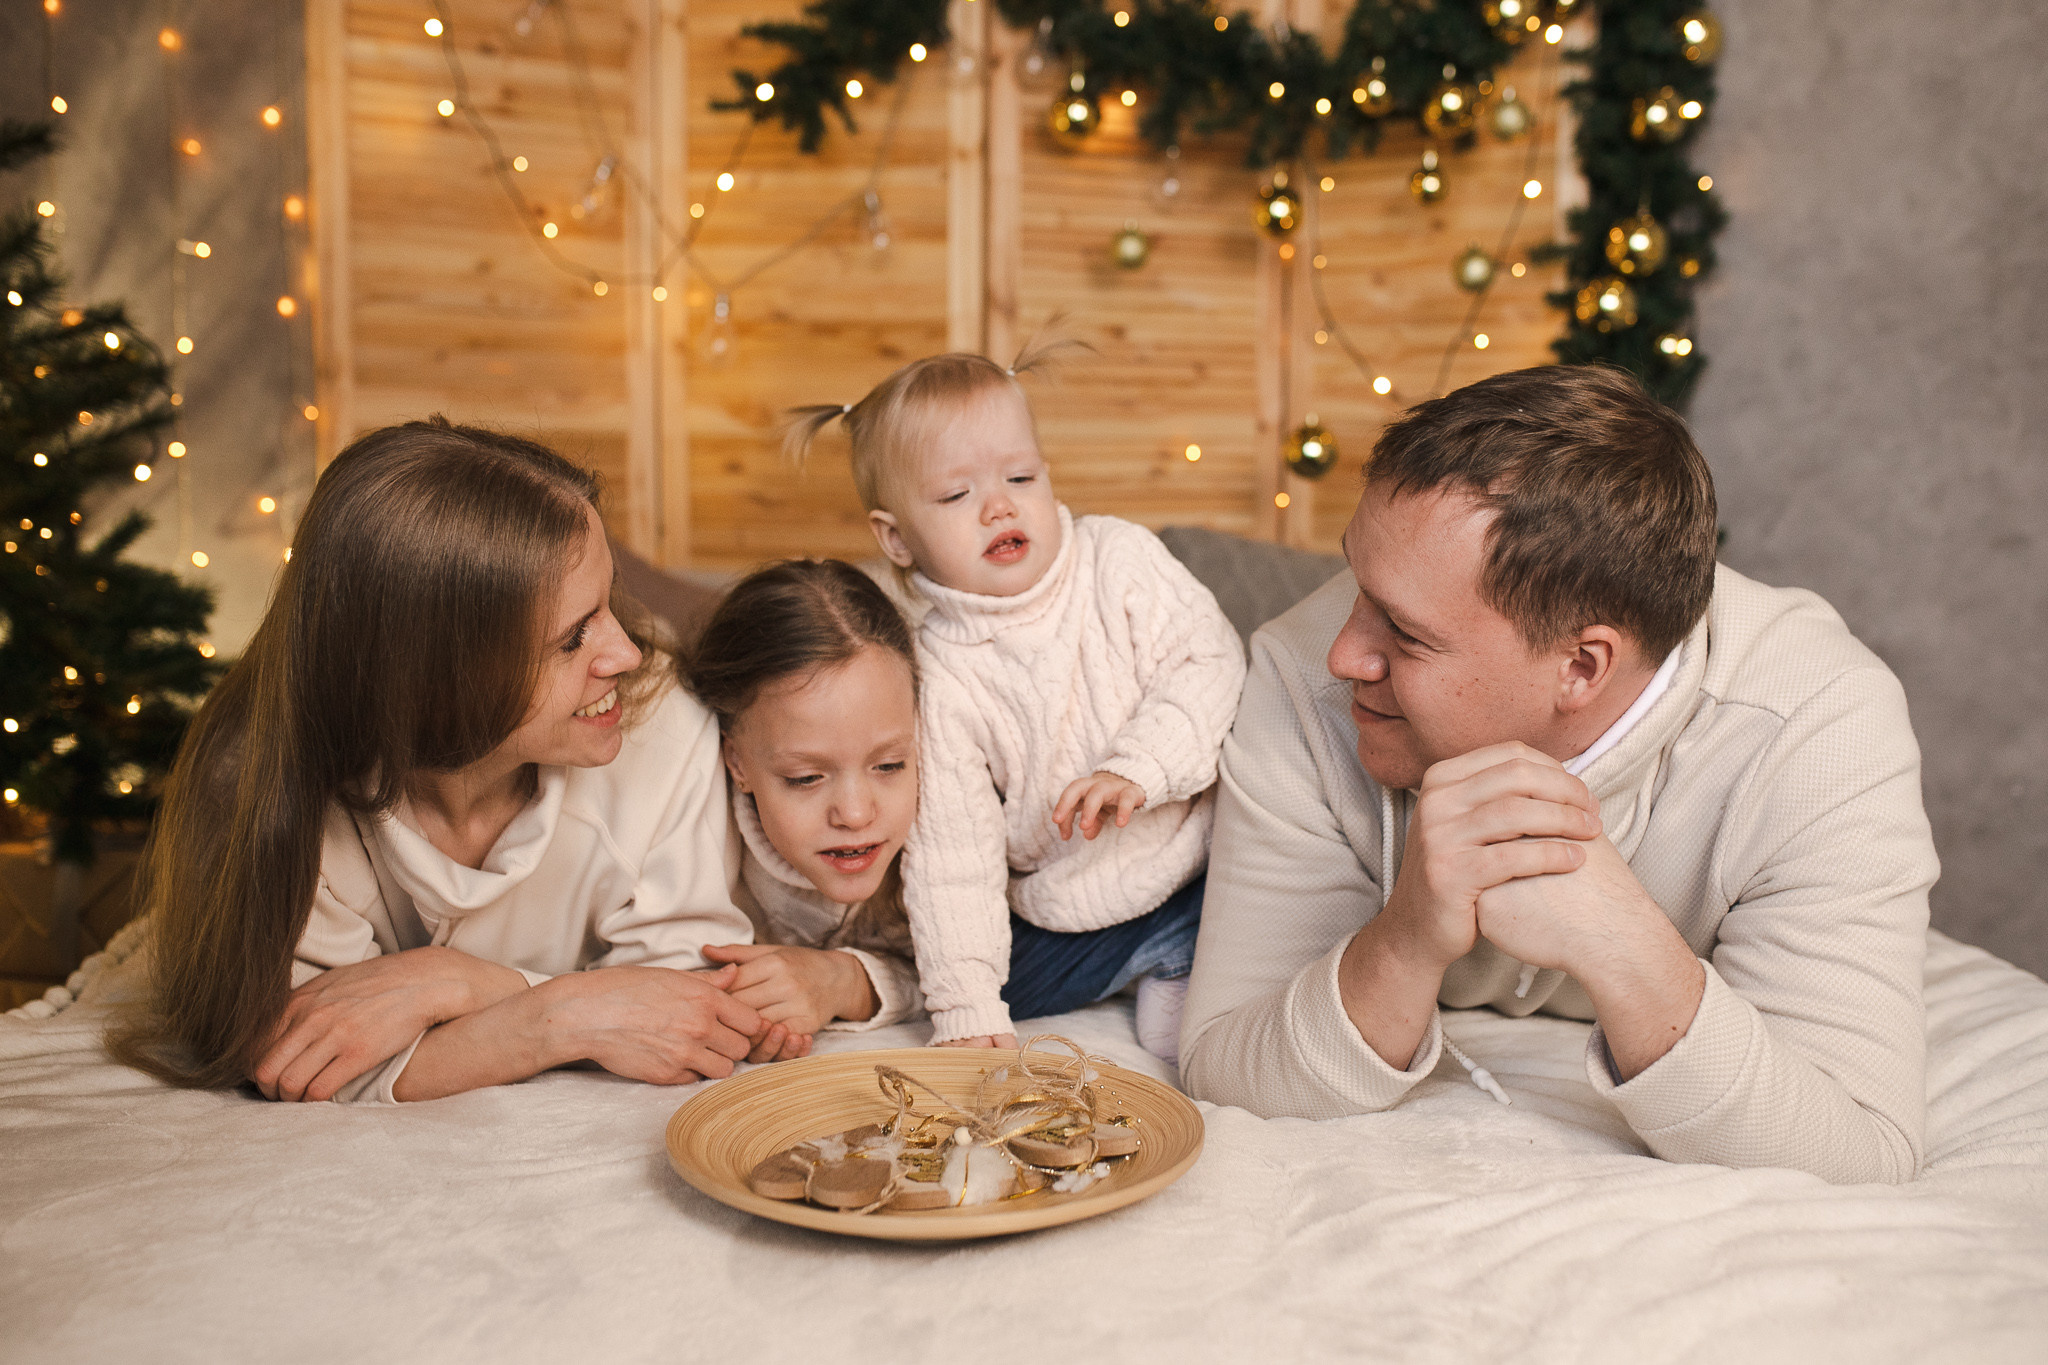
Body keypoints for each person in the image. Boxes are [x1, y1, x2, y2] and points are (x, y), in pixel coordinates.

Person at [1180, 365, 1937, 1185]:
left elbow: (1861, 1153)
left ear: (1581, 666)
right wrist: (1404, 939)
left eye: (1404, 632)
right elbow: (1223, 1061)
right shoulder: (1299, 673)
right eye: (1358, 585)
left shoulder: (1820, 727)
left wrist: (1623, 941)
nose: (1344, 654)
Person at [114, 419, 798, 1104]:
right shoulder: (261, 786)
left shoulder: (663, 728)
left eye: (609, 602)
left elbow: (687, 1013)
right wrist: (558, 1018)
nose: (626, 654)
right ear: (438, 681)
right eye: (571, 640)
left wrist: (460, 982)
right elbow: (302, 1056)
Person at [786, 340, 1246, 1055]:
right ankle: (1148, 959)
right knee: (968, 992)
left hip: (1199, 858)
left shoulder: (1117, 561)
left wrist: (1140, 767)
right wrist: (969, 1010)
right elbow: (953, 856)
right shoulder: (935, 675)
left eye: (1020, 476)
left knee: (1265, 888)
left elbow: (1212, 660)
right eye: (955, 495)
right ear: (897, 538)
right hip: (1068, 907)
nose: (998, 505)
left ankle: (1185, 952)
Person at [683, 559, 926, 1040]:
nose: (856, 814)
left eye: (889, 766)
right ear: (736, 763)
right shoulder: (694, 835)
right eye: (807, 777)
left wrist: (845, 982)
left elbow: (988, 970)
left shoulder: (950, 817)